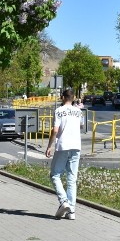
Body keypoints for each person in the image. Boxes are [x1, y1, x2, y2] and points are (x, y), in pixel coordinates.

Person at [45, 87, 83, 220]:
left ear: (62, 98)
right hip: (76, 146)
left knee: (55, 174)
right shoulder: (78, 111)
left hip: (63, 146)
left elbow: (55, 130)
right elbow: (81, 126)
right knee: (72, 178)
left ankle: (64, 201)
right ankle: (71, 211)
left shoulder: (59, 111)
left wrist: (49, 146)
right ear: (73, 99)